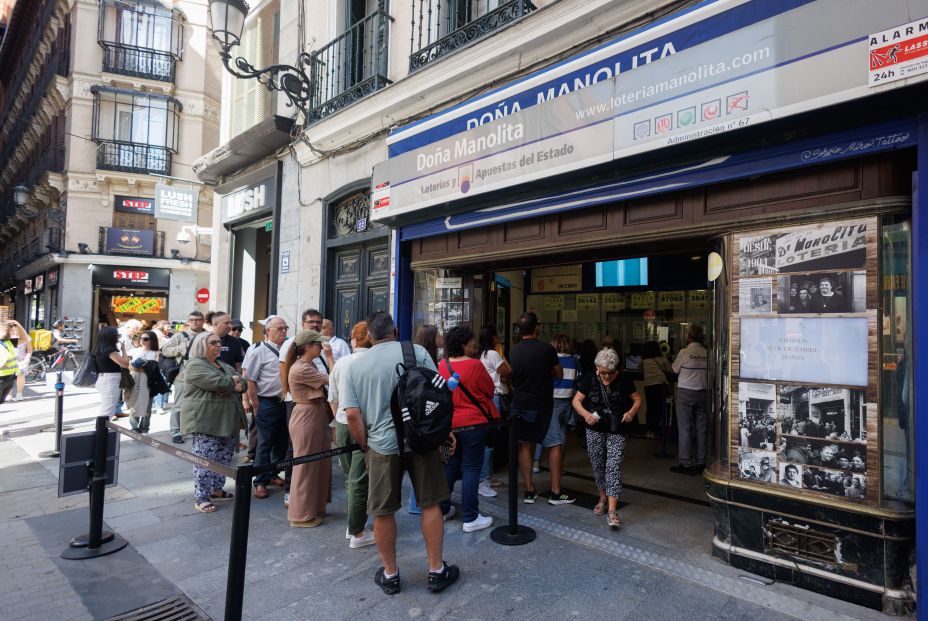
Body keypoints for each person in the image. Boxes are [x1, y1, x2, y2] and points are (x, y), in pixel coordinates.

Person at [341, 311, 459, 596]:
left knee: (383, 512)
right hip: (421, 442)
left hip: (382, 446)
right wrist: (444, 432)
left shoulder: (355, 365)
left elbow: (353, 415)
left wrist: (365, 444)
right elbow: (439, 396)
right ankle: (436, 570)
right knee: (430, 504)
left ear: (369, 336)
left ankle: (391, 574)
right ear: (395, 332)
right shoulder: (416, 352)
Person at [437, 325, 499, 533]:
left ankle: (443, 510)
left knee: (450, 467)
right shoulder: (475, 365)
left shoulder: (442, 365)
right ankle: (471, 517)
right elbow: (490, 390)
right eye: (472, 340)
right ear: (464, 344)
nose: (475, 343)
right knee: (472, 468)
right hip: (474, 424)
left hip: (449, 425)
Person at [571, 347, 640, 528]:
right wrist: (585, 414)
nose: (607, 377)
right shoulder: (590, 378)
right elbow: (576, 401)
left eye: (611, 373)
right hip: (594, 428)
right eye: (603, 373)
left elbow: (637, 399)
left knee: (613, 465)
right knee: (598, 463)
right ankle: (602, 497)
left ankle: (612, 510)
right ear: (596, 368)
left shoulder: (624, 379)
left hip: (618, 428)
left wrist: (631, 412)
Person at [509, 312, 572, 505]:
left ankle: (529, 491)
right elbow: (559, 373)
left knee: (524, 446)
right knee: (554, 444)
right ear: (536, 328)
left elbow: (511, 376)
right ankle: (555, 492)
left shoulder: (513, 351)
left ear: (520, 330)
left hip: (520, 404)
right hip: (544, 405)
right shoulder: (546, 349)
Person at [181, 333, 248, 513]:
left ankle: (217, 489)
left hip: (226, 419)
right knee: (205, 458)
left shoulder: (223, 364)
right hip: (206, 420)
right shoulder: (195, 364)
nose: (218, 345)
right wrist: (230, 383)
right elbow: (219, 383)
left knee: (224, 457)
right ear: (201, 345)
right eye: (213, 343)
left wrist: (233, 383)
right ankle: (201, 497)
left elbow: (243, 383)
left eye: (219, 342)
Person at [329, 321, 376, 548]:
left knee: (351, 477)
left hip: (342, 422)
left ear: (354, 339)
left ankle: (353, 525)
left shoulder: (341, 363)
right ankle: (357, 531)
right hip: (364, 423)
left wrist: (339, 418)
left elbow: (333, 397)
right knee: (359, 480)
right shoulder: (376, 362)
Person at [281, 329, 335, 527]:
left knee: (320, 463)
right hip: (306, 416)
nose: (322, 346)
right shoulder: (301, 368)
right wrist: (330, 357)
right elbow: (334, 378)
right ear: (309, 346)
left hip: (315, 414)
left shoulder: (307, 364)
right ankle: (301, 515)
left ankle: (315, 508)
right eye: (318, 343)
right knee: (305, 465)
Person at [243, 315, 290, 499]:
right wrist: (255, 404)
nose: (283, 331)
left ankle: (272, 474)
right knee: (265, 442)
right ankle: (260, 481)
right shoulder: (257, 351)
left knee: (282, 442)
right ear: (268, 331)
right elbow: (251, 380)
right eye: (279, 328)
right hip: (267, 402)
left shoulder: (288, 349)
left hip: (285, 402)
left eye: (285, 328)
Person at [407, 323, 443, 514]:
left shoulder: (413, 355)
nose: (441, 339)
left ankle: (416, 502)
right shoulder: (425, 358)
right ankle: (420, 503)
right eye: (438, 335)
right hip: (425, 416)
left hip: (416, 415)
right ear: (431, 338)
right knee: (422, 462)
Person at [533, 334, 578, 480]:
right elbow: (578, 380)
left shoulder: (550, 360)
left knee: (543, 431)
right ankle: (559, 466)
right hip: (567, 400)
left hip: (550, 399)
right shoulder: (575, 361)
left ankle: (536, 461)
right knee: (563, 433)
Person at [161, 311, 207, 443]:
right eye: (192, 319)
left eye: (198, 320)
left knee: (200, 405)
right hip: (182, 376)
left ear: (202, 321)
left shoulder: (208, 336)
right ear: (188, 321)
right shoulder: (181, 336)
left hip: (203, 376)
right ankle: (176, 432)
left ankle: (195, 429)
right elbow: (165, 350)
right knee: (179, 405)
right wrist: (182, 348)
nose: (194, 322)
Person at [670, 324, 708, 475]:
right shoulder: (707, 353)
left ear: (689, 337)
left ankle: (685, 463)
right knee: (702, 429)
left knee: (685, 429)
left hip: (685, 392)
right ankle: (701, 462)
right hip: (703, 393)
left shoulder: (684, 352)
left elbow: (673, 370)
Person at [477, 324, 509, 495]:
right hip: (495, 397)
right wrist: (502, 354)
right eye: (497, 335)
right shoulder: (493, 354)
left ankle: (488, 475)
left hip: (485, 397)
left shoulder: (480, 355)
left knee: (489, 438)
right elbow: (508, 371)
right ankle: (485, 479)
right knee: (490, 439)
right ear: (493, 338)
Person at [125, 330, 160, 433]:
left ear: (152, 340)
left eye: (145, 339)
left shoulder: (156, 352)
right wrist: (136, 368)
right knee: (134, 405)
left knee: (147, 407)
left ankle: (145, 427)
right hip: (135, 380)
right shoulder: (133, 351)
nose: (142, 340)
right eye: (140, 338)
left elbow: (155, 368)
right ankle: (134, 427)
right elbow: (127, 365)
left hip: (149, 381)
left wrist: (138, 368)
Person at [93, 327, 130, 418]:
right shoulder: (110, 351)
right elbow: (125, 364)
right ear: (111, 337)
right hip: (110, 381)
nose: (118, 337)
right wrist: (124, 350)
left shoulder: (99, 349)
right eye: (117, 335)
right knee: (107, 411)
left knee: (107, 408)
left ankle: (102, 429)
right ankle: (101, 430)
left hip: (104, 379)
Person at [641, 340, 673, 437]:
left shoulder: (644, 361)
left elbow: (638, 369)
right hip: (661, 385)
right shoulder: (662, 359)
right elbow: (670, 370)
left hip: (648, 386)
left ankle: (649, 431)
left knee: (650, 408)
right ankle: (657, 431)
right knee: (659, 408)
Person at [0, 320, 29, 403]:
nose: (13, 333)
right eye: (11, 331)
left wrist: (18, 324)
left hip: (9, 379)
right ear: (5, 330)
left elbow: (25, 338)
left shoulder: (8, 342)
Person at [11, 322, 32, 402]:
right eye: (12, 329)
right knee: (8, 378)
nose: (14, 331)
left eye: (16, 329)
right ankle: (8, 394)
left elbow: (29, 350)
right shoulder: (7, 337)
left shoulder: (26, 338)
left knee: (20, 376)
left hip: (21, 360)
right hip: (9, 360)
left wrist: (27, 359)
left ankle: (19, 393)